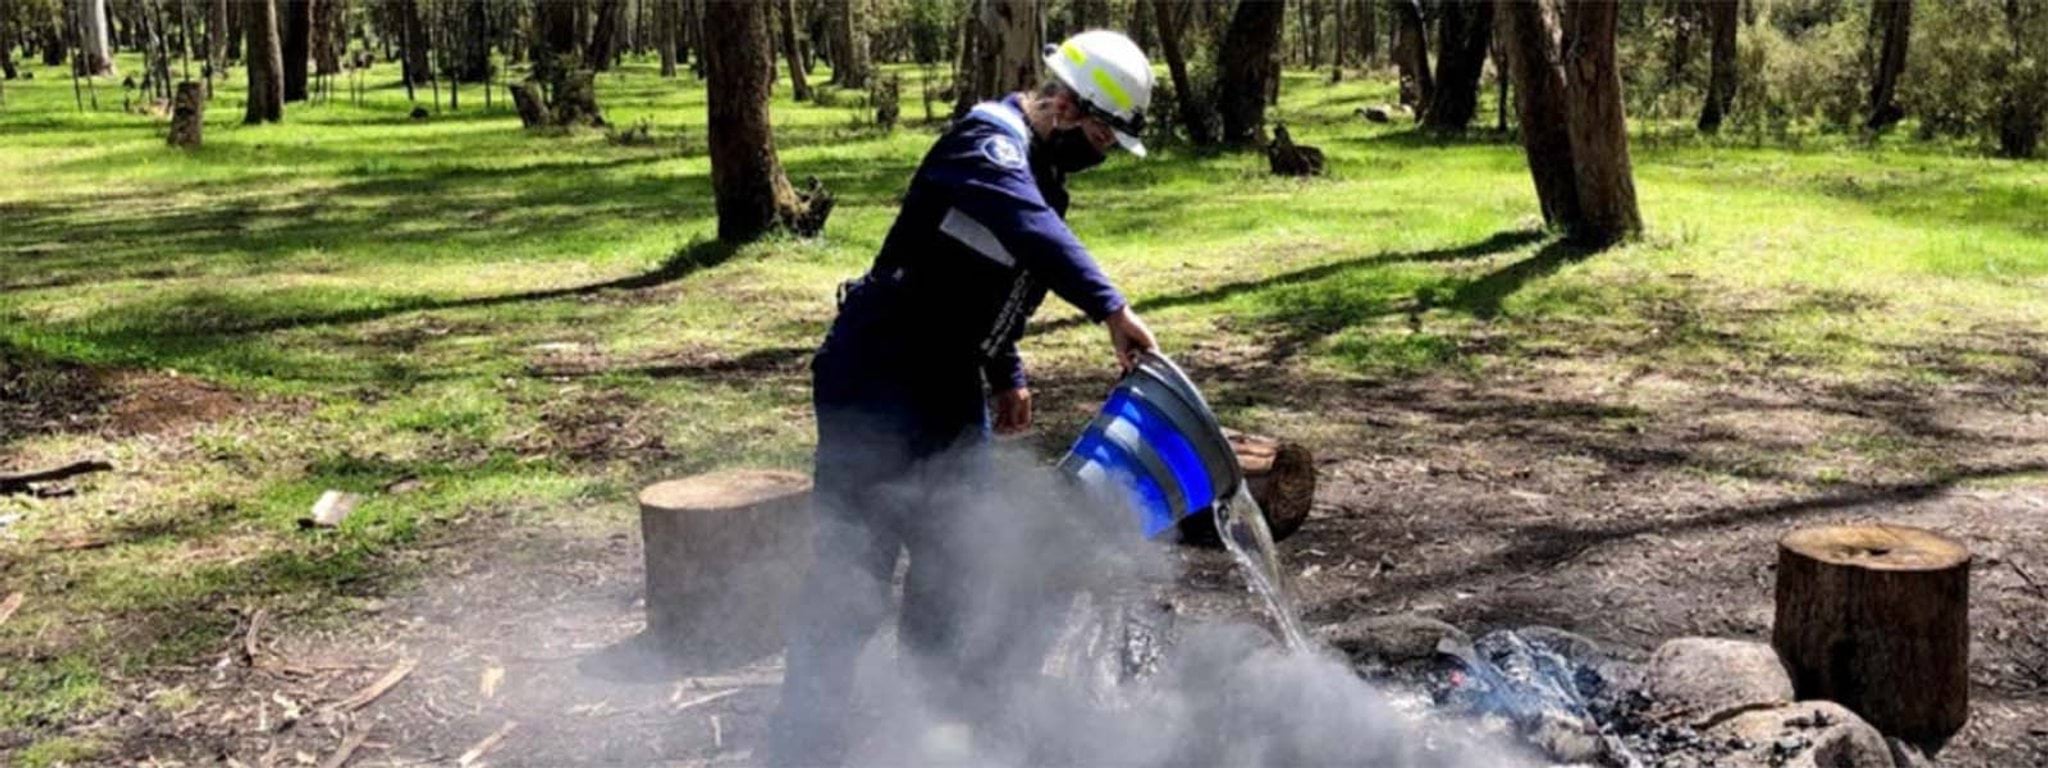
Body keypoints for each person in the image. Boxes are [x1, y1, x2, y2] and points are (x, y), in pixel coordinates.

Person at [766, 30, 1160, 767]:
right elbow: (1025, 230)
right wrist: (1111, 307)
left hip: (949, 384)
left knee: (956, 567)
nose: (1104, 154)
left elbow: (986, 276)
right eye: (1104, 135)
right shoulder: (987, 144)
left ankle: (930, 730)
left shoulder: (1042, 175)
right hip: (877, 380)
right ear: (1070, 106)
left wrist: (1005, 367)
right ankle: (800, 743)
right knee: (855, 571)